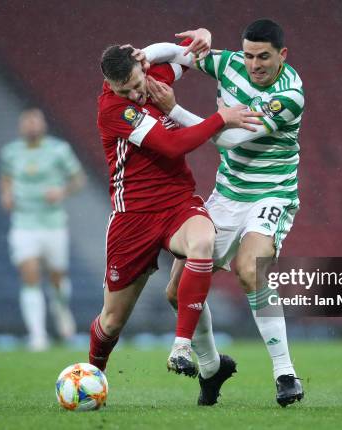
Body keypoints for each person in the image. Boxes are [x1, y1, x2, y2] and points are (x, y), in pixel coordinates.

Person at [142, 19, 305, 406]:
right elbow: (175, 52)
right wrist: (141, 57)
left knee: (250, 270)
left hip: (271, 193)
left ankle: (285, 374)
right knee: (177, 292)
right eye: (249, 55)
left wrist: (174, 109)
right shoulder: (230, 64)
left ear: (282, 55)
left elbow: (231, 137)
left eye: (263, 57)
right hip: (228, 195)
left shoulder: (290, 94)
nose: (254, 65)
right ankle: (212, 368)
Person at [89, 40, 263, 386]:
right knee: (111, 321)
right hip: (134, 216)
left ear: (141, 68)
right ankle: (94, 375)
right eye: (127, 90)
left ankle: (182, 347)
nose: (138, 94)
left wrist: (198, 36)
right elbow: (172, 145)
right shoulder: (113, 109)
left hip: (177, 202)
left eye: (139, 83)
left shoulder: (150, 77)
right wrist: (221, 118)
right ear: (111, 86)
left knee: (202, 242)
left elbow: (187, 55)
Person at [0, 108, 86, 351]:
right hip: (24, 223)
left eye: (35, 121)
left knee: (57, 277)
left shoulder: (59, 150)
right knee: (30, 275)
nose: (31, 126)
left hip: (53, 223)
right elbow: (5, 178)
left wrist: (62, 191)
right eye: (26, 122)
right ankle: (37, 336)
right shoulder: (10, 153)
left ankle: (60, 309)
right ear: (21, 126)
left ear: (43, 125)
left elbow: (78, 179)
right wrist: (5, 194)